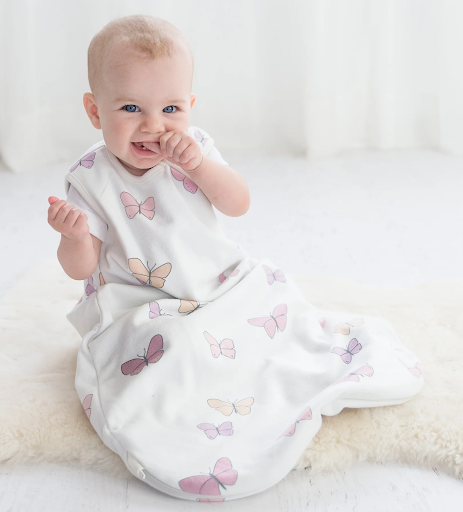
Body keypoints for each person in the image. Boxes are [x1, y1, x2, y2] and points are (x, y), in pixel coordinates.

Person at [46, 14, 424, 503]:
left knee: (274, 315)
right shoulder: (90, 178)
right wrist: (73, 237)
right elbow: (81, 268)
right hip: (142, 303)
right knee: (172, 349)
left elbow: (237, 204)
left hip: (220, 284)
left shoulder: (195, 149)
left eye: (171, 108)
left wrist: (199, 166)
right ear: (95, 111)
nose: (153, 126)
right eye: (131, 107)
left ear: (191, 107)